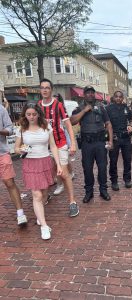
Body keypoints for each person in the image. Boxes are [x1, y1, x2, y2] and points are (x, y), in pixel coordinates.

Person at [15, 102, 62, 239]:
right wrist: (21, 149)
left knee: (44, 193)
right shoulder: (22, 129)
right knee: (37, 195)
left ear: (38, 114)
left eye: (34, 114)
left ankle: (39, 216)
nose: (31, 117)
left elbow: (53, 146)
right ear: (25, 115)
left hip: (45, 162)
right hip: (30, 163)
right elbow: (16, 148)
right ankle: (44, 226)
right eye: (28, 114)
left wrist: (58, 164)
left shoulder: (46, 126)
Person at [38, 78, 79, 217]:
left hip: (60, 143)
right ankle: (45, 196)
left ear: (51, 89)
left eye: (47, 87)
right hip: (44, 146)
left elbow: (68, 125)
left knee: (64, 173)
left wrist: (72, 144)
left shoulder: (58, 105)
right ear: (40, 90)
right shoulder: (38, 106)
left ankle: (72, 202)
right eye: (42, 87)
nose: (44, 90)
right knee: (46, 174)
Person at [70, 86, 113, 203]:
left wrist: (111, 141)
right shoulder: (78, 108)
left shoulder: (101, 108)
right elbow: (72, 121)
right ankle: (89, 192)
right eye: (88, 93)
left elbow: (108, 124)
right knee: (87, 169)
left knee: (102, 168)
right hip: (87, 144)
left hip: (100, 143)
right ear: (84, 95)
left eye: (92, 93)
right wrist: (84, 111)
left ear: (94, 95)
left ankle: (103, 190)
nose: (90, 95)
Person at [0, 103, 27, 226]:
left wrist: (1, 131)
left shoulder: (1, 109)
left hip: (2, 152)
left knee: (9, 182)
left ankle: (20, 213)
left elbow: (10, 129)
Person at [106, 91, 132, 191]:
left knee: (127, 159)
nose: (118, 98)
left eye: (120, 97)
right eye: (116, 96)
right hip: (114, 138)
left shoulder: (126, 108)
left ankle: (127, 179)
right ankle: (114, 181)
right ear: (113, 97)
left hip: (126, 138)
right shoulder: (108, 109)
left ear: (123, 98)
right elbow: (105, 123)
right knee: (113, 161)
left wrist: (131, 126)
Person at [52, 93, 75, 195]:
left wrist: (71, 144)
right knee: (55, 163)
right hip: (50, 139)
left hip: (62, 136)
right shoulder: (46, 109)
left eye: (57, 99)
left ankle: (69, 174)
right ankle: (59, 184)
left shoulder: (62, 109)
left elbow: (68, 124)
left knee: (65, 161)